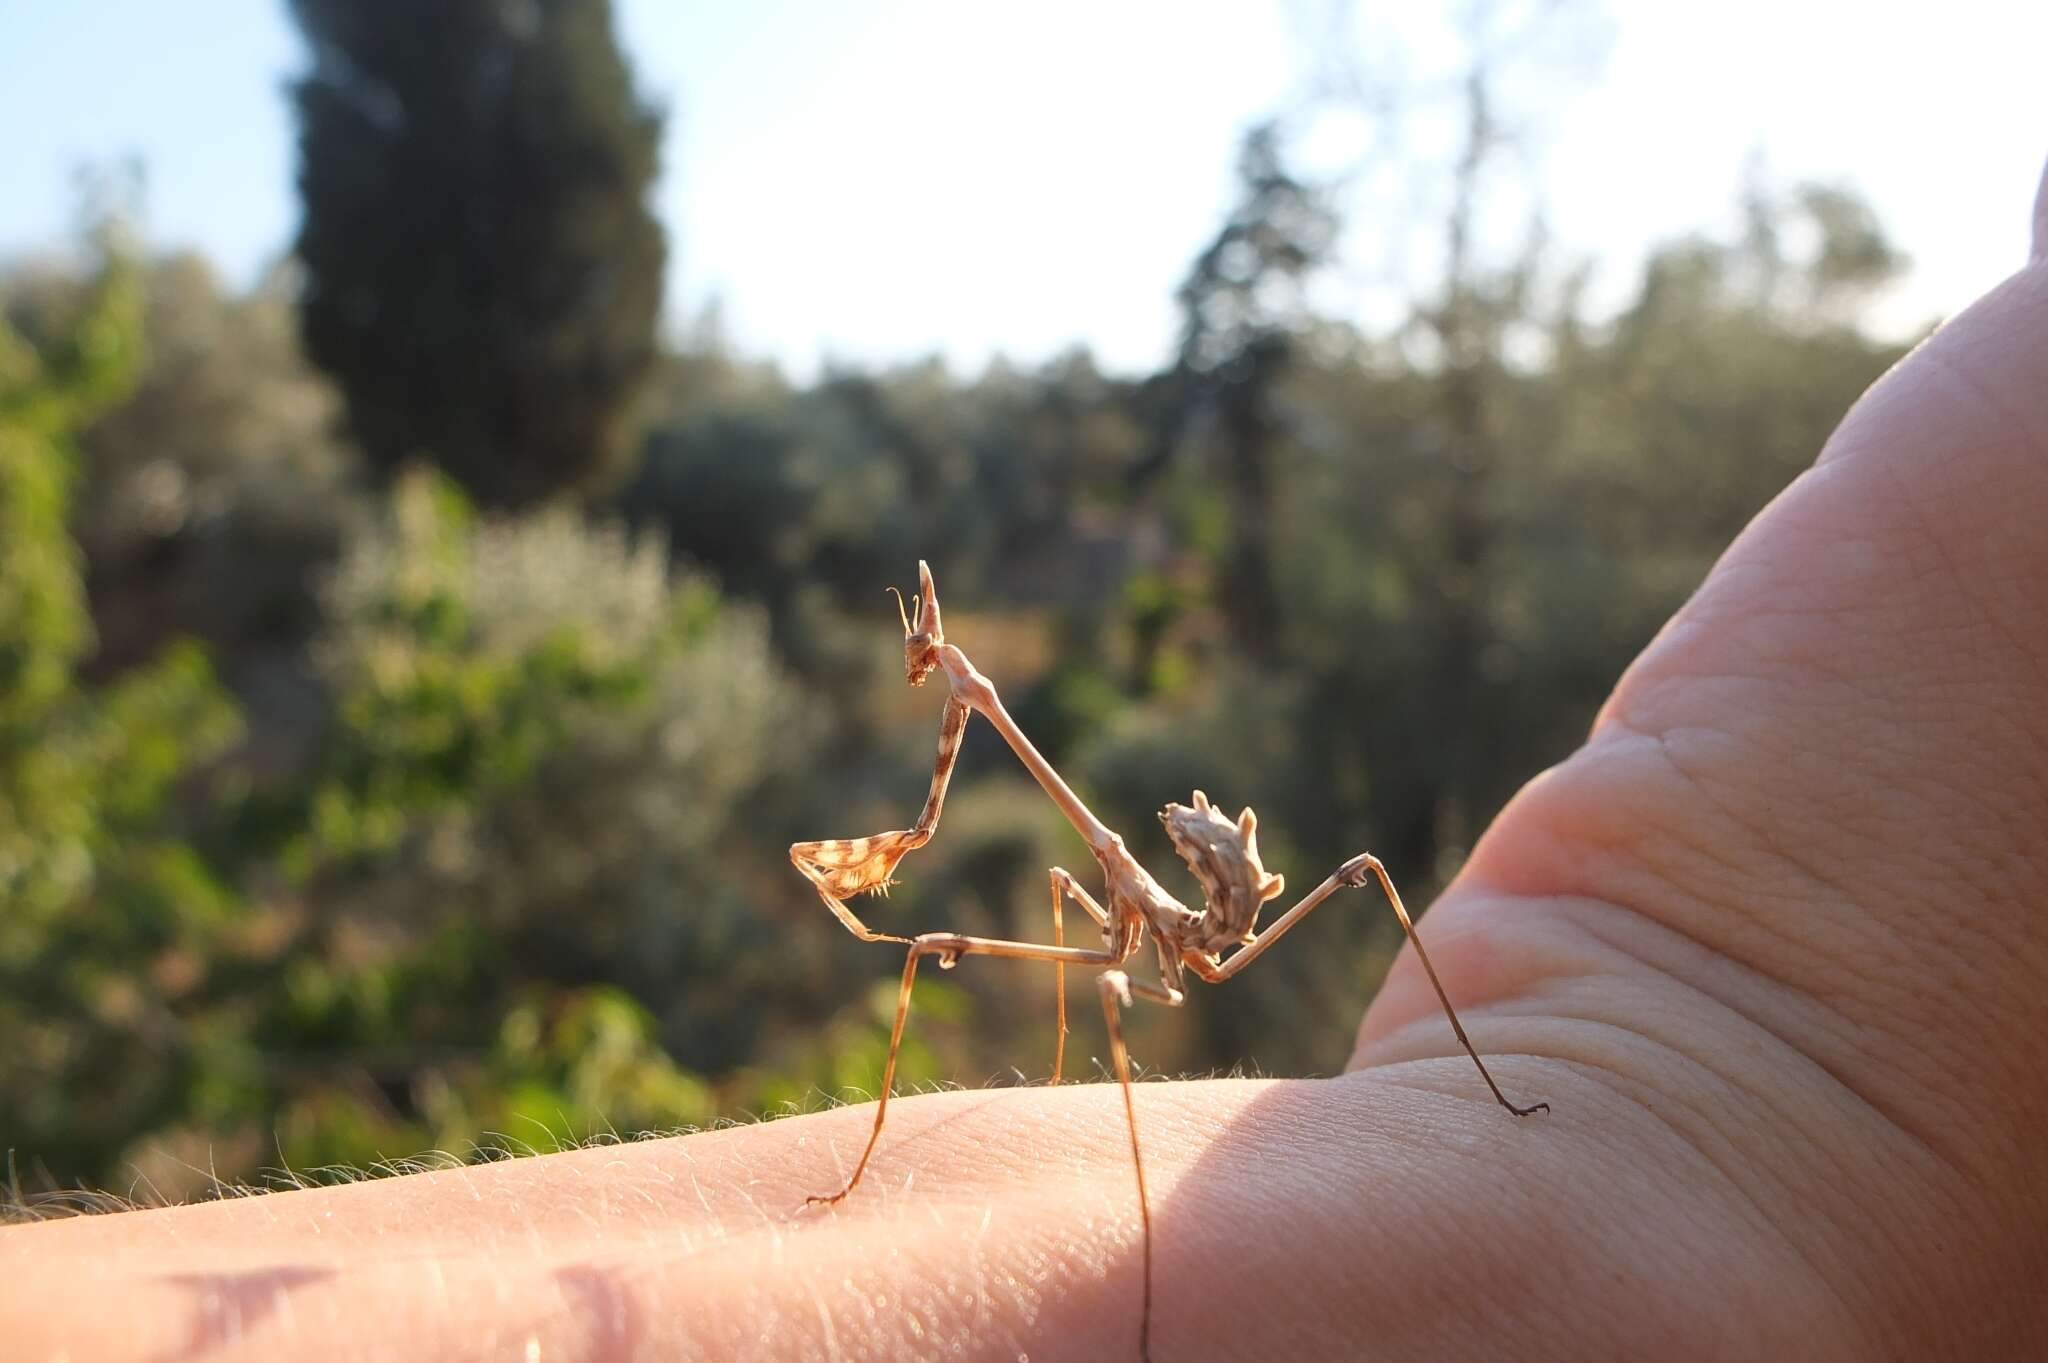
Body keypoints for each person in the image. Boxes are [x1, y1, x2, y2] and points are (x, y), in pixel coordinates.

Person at [7, 162, 2046, 1362]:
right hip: (1583, 1107)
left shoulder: (1067, 759)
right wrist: (1714, 1074)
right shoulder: (997, 745)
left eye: (936, 663)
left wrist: (1604, 1079)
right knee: (989, 934)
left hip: (1306, 955)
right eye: (935, 664)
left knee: (1019, 933)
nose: (934, 684)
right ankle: (959, 1152)